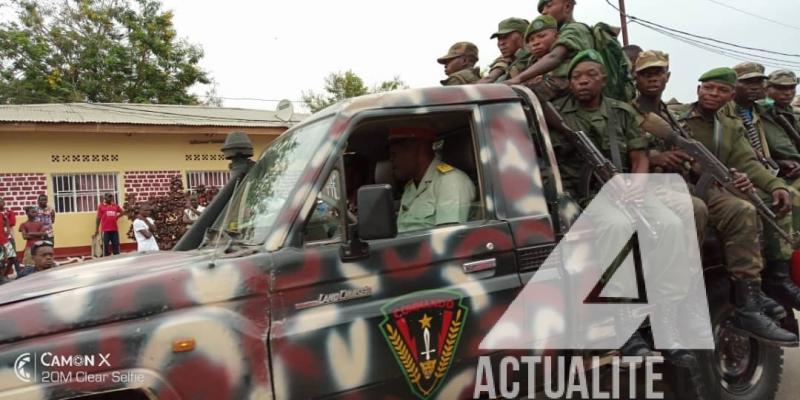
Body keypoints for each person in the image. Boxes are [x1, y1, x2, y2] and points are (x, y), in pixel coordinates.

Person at [552, 49, 697, 365]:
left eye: (590, 75)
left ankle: (667, 320)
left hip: (629, 188)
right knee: (618, 226)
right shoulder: (559, 115)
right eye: (577, 77)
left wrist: (637, 186)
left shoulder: (620, 112)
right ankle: (624, 323)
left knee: (671, 224)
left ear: (603, 79)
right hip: (589, 194)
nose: (583, 81)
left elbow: (640, 155)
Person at [671, 67, 797, 345]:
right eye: (708, 88)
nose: (713, 94)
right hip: (680, 188)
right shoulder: (677, 120)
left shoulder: (729, 125)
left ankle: (749, 300)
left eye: (721, 90)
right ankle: (687, 296)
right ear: (698, 90)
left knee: (745, 210)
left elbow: (748, 161)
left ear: (730, 95)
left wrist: (776, 185)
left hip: (712, 190)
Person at [632, 50, 709, 248]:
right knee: (696, 209)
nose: (653, 79)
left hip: (679, 183)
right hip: (647, 184)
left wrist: (697, 164)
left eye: (658, 73)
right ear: (636, 78)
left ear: (667, 76)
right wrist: (654, 158)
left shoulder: (671, 115)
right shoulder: (628, 113)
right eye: (646, 74)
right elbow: (617, 154)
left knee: (737, 205)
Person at [388, 126, 475, 233]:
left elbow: (448, 240)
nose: (391, 159)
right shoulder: (411, 186)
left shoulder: (450, 181)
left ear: (418, 148)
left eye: (394, 153)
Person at [503, 0, 594, 101]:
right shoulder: (558, 33)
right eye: (542, 9)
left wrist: (518, 79)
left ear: (567, 6)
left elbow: (554, 57)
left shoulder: (575, 28)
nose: (544, 12)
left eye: (548, 6)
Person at [756, 70, 800, 229]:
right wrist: (781, 163)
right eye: (781, 88)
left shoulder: (792, 114)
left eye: (791, 88)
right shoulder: (760, 112)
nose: (787, 93)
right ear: (767, 89)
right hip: (773, 173)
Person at [477, 17, 528, 83]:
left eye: (505, 37)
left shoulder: (536, 56)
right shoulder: (507, 59)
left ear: (523, 36)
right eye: (499, 39)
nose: (501, 43)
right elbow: (490, 78)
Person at [0, 198, 18, 278]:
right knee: (2, 259)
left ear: (4, 202)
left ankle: (6, 275)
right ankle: (2, 277)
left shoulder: (8, 212)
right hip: (1, 239)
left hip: (8, 238)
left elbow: (12, 222)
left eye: (1, 201)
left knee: (13, 257)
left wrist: (6, 227)